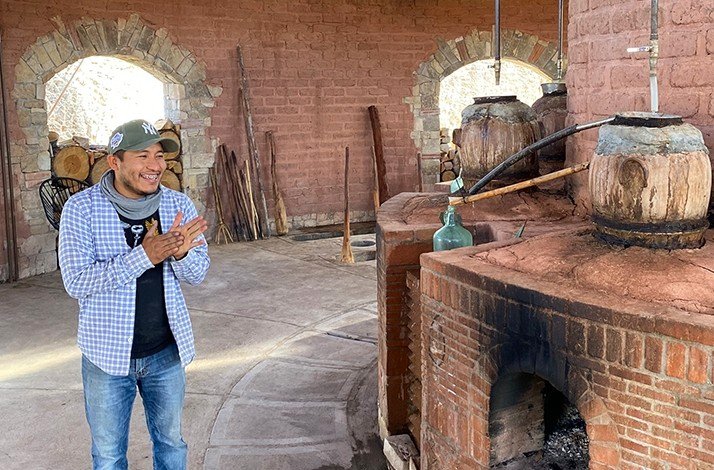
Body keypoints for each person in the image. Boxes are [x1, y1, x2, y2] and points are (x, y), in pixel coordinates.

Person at [59, 119, 209, 469]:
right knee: (109, 455)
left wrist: (181, 254)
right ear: (115, 162)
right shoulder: (81, 210)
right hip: (107, 358)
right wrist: (145, 256)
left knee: (172, 444)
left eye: (159, 155)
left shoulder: (177, 205)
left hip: (166, 354)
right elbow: (77, 282)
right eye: (143, 156)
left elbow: (199, 274)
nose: (155, 165)